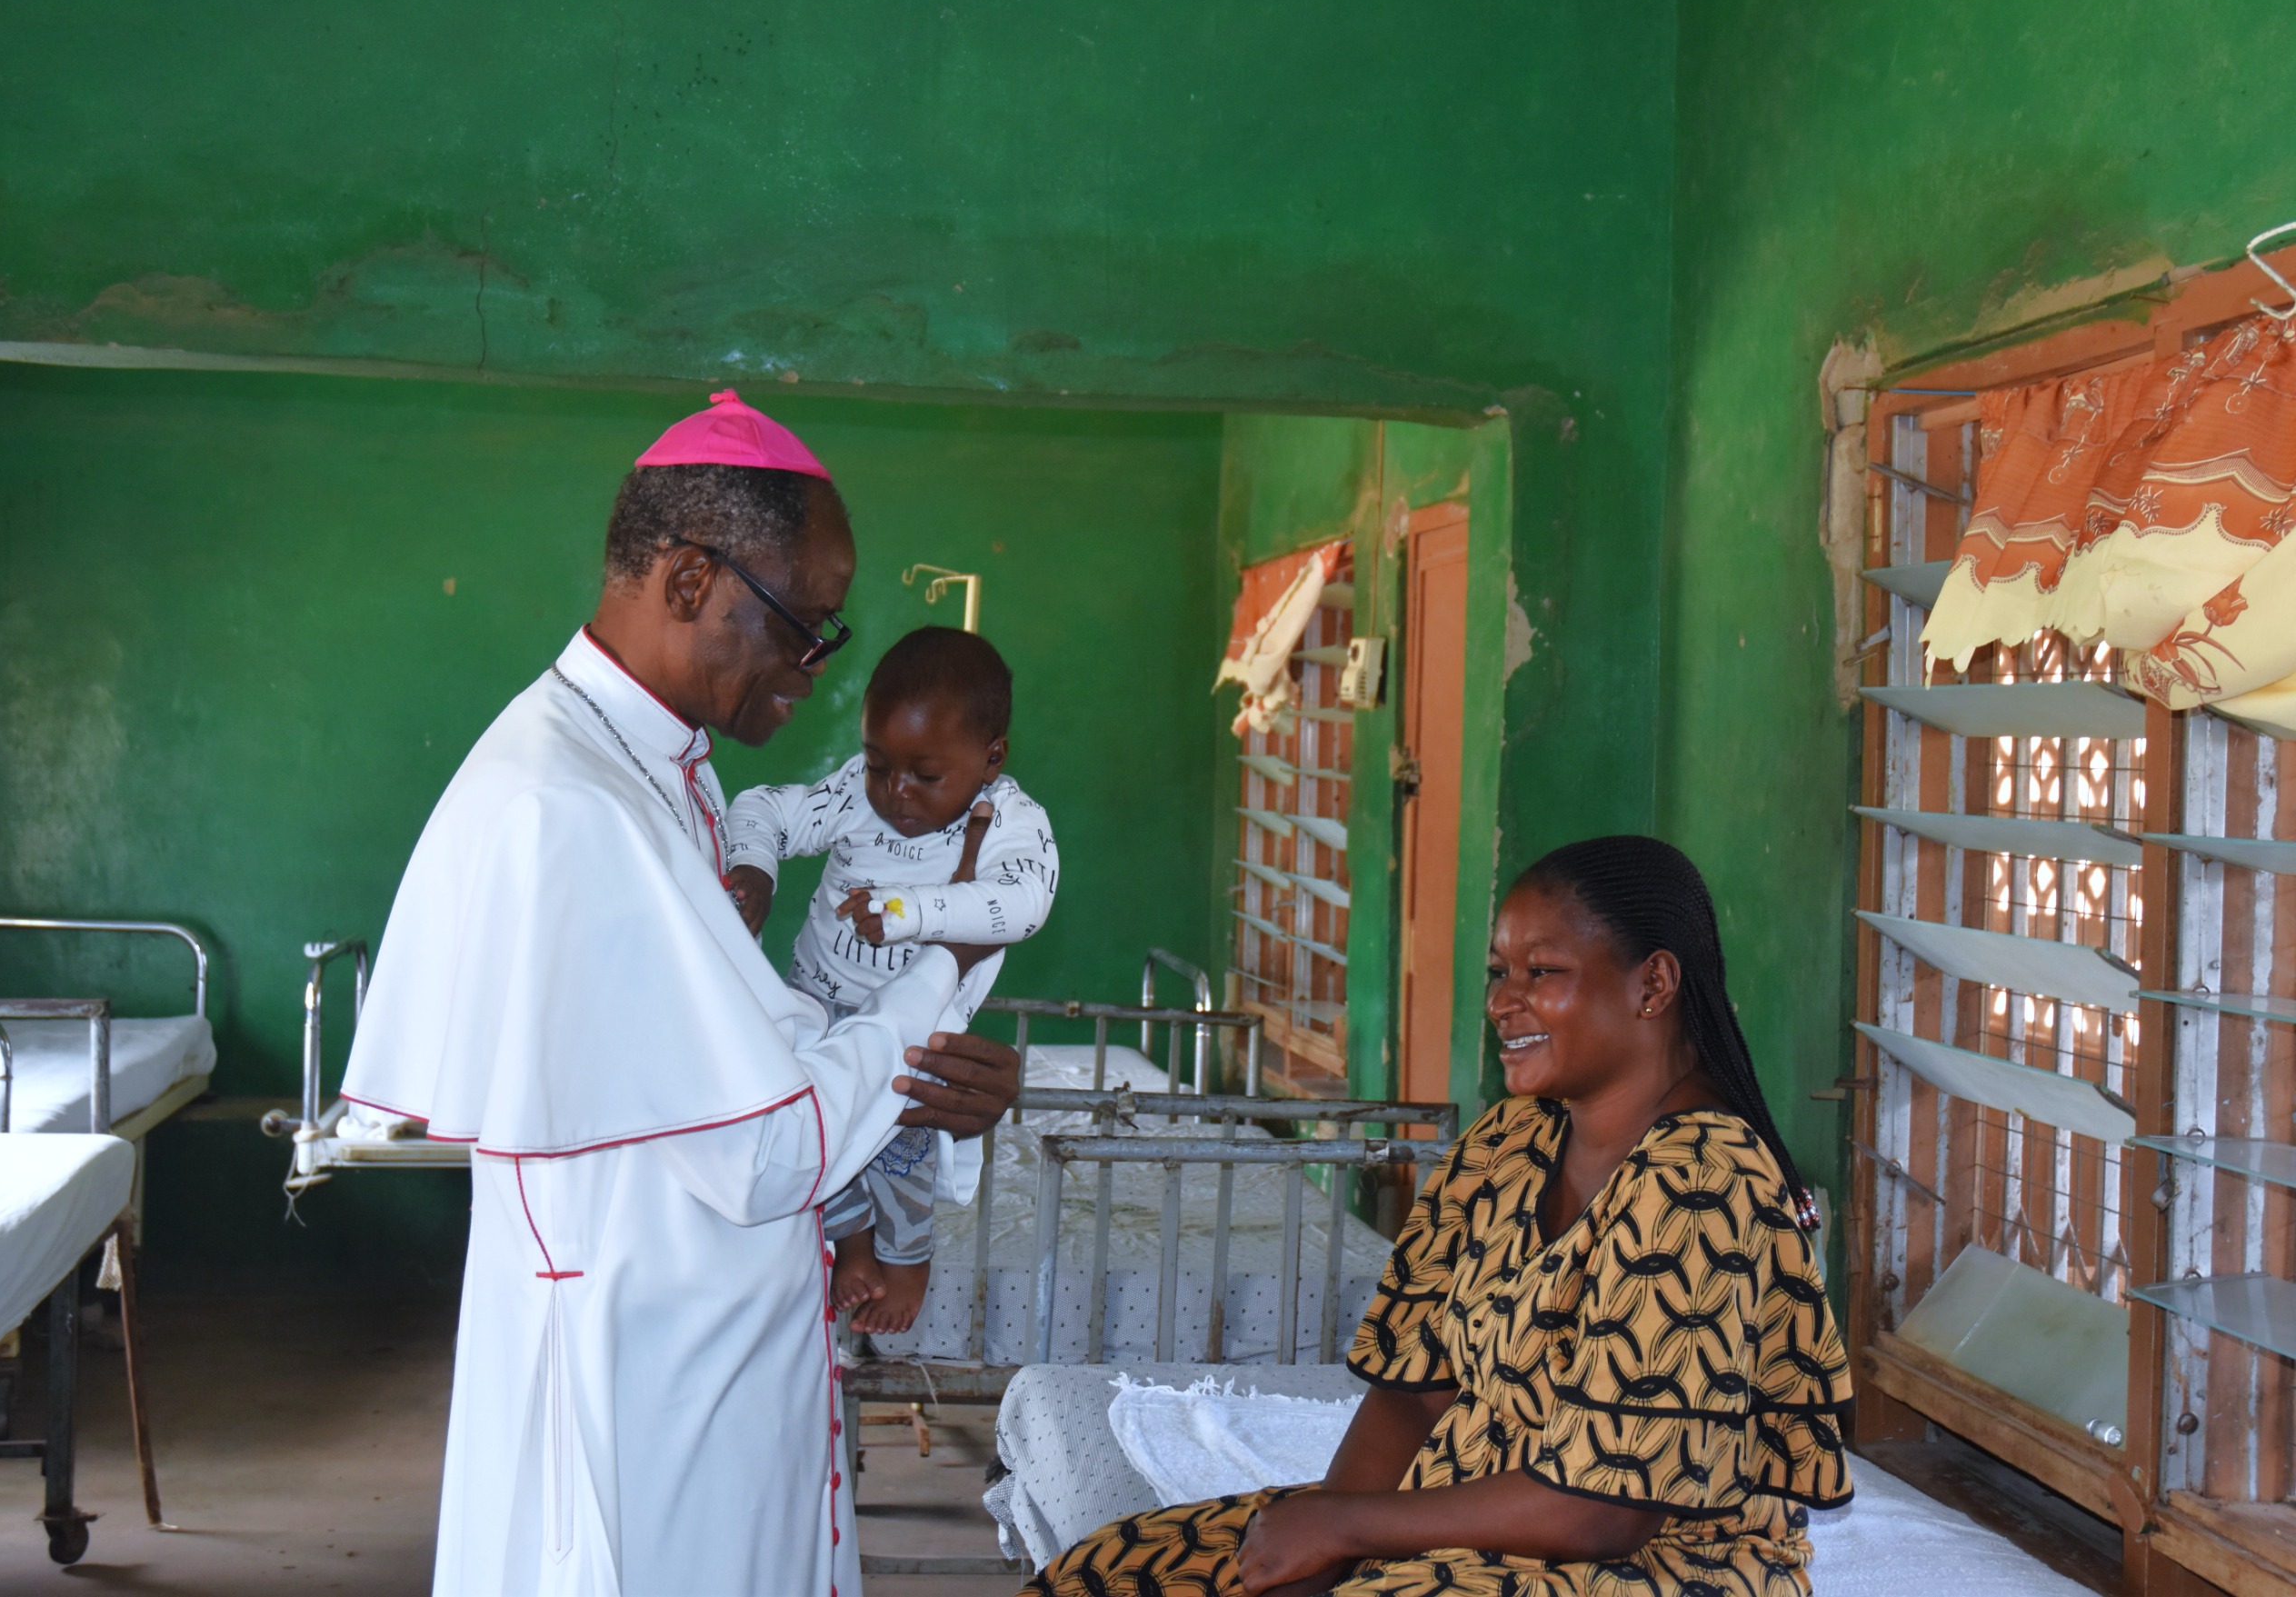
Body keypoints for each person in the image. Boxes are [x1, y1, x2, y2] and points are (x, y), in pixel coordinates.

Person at [340, 390, 1023, 1597]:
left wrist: (909, 1091)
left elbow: (733, 1037)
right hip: (643, 1389)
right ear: (692, 579)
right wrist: (939, 985)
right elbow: (760, 1145)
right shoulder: (569, 807)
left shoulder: (657, 767)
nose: (815, 672)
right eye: (804, 627)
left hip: (706, 1349)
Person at [1025, 835, 1852, 1597]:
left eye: (1542, 972)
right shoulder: (1509, 1144)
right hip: (1460, 1520)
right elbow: (1413, 1395)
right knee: (1110, 1570)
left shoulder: (1703, 1184)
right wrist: (1324, 1545)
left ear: (1654, 985)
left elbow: (1609, 1510)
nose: (1504, 1001)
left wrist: (1347, 1526)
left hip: (1652, 1565)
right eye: (1499, 972)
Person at [726, 624, 1058, 1333]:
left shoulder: (1008, 819)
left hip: (915, 1025)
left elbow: (1025, 903)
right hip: (820, 1003)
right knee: (818, 1136)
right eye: (880, 764)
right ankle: (852, 1248)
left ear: (990, 758)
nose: (895, 790)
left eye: (924, 774)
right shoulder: (855, 793)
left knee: (900, 1145)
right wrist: (754, 866)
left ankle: (907, 1261)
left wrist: (908, 911)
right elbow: (762, 807)